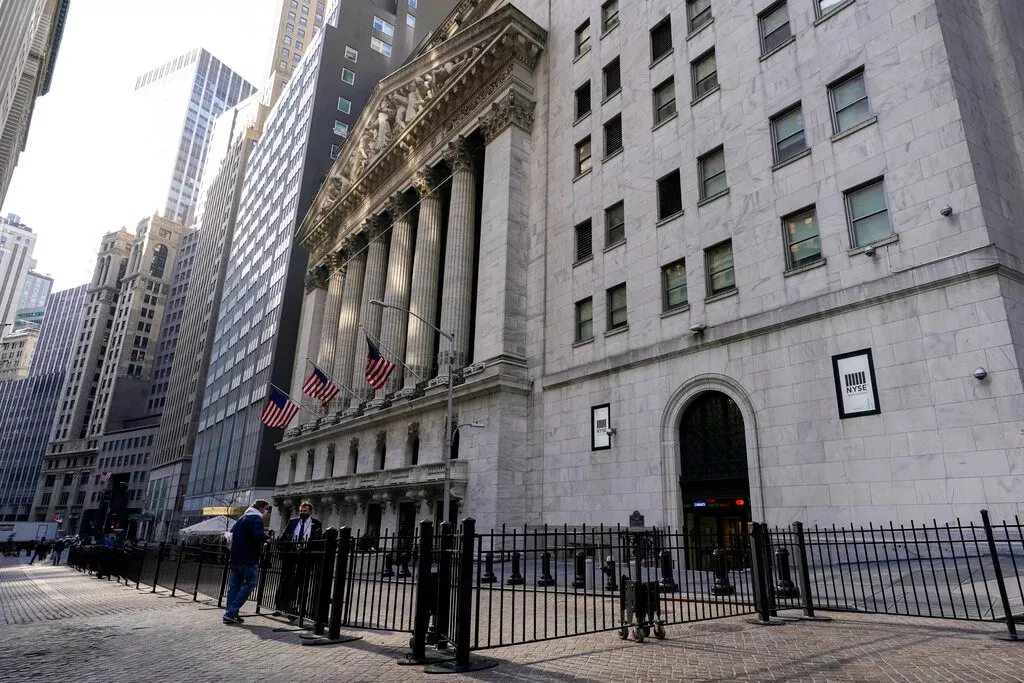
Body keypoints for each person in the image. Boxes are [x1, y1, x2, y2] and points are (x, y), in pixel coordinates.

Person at [223, 499, 272, 625]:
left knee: (234, 586)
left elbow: (230, 534)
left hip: (235, 557)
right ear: (261, 508)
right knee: (250, 583)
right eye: (266, 509)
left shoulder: (242, 518)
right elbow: (257, 535)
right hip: (249, 557)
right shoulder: (256, 518)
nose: (267, 512)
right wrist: (267, 538)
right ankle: (231, 612)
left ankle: (231, 613)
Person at [273, 500, 322, 619]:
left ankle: (300, 607)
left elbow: (317, 541)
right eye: (301, 511)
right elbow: (284, 536)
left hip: (305, 557)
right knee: (286, 580)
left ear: (310, 512)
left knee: (302, 582)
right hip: (291, 555)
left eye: (305, 511)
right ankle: (280, 606)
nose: (302, 513)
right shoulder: (292, 521)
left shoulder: (316, 524)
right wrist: (286, 546)